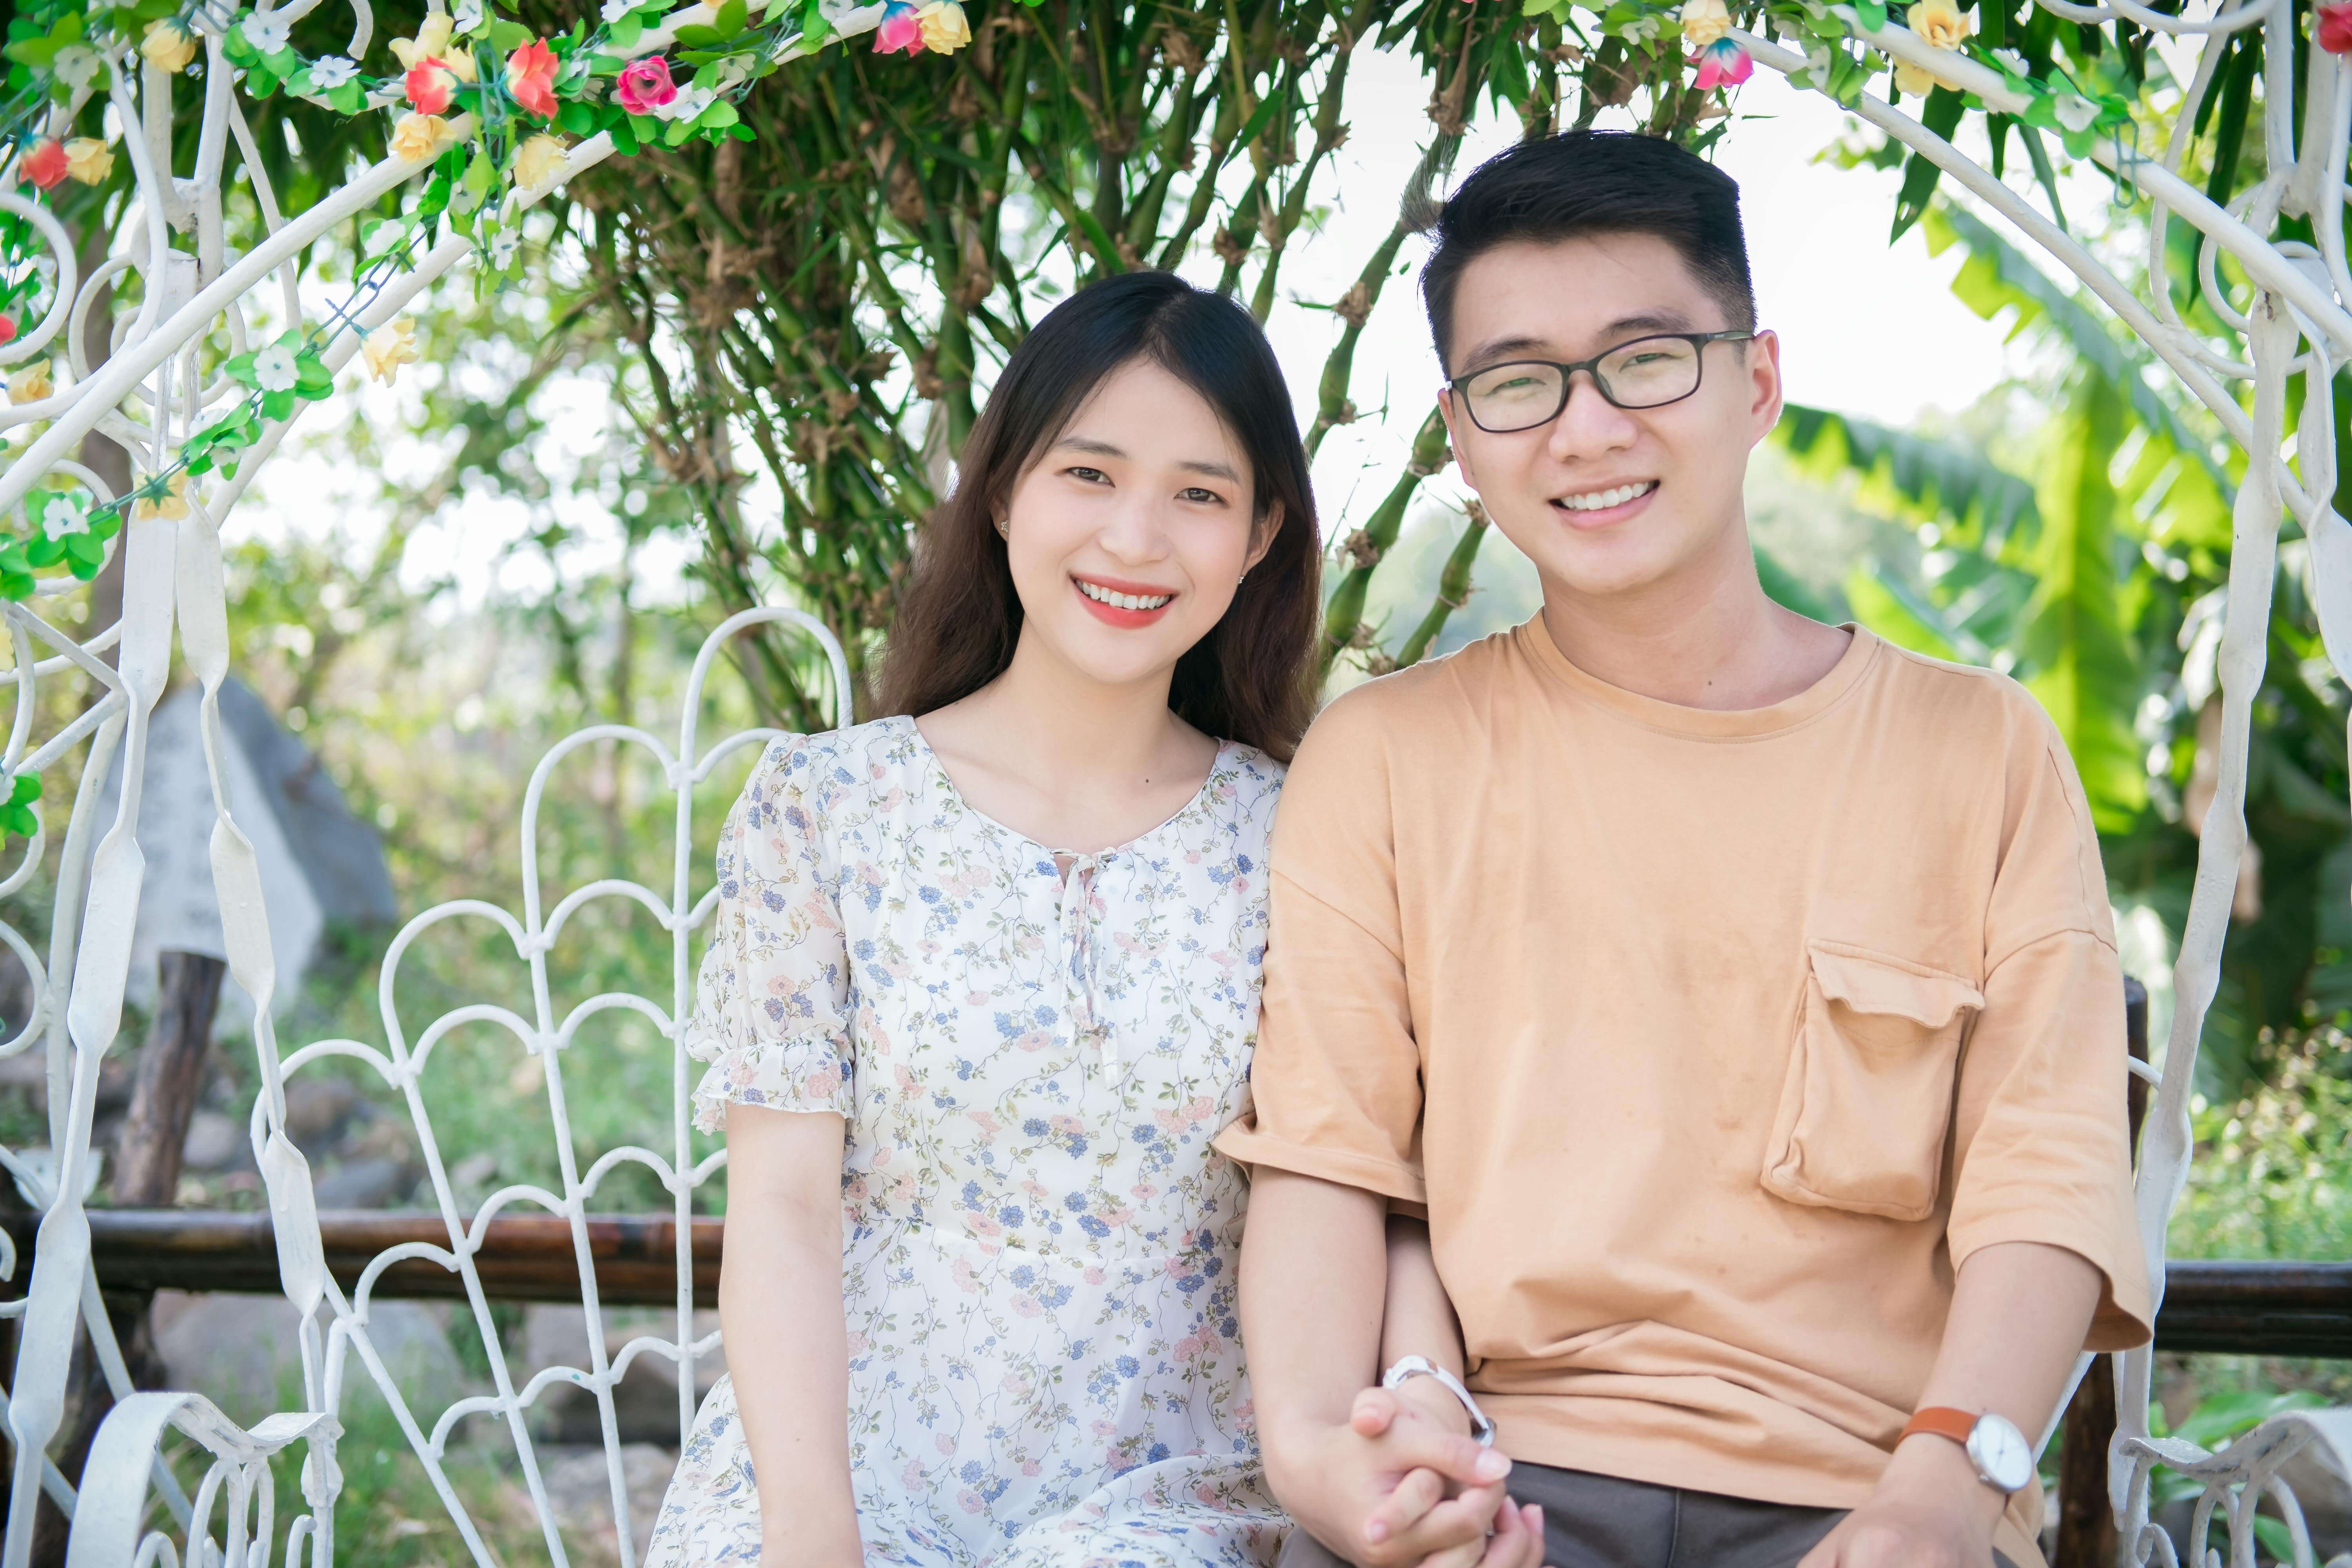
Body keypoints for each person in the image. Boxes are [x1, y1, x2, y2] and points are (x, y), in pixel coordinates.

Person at [1217, 129, 2152, 1568]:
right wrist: (1321, 1466)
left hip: (1878, 1489)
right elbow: (1328, 1160)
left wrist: (1944, 1492)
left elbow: (2049, 1181)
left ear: (1757, 381)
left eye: (1647, 361)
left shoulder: (1981, 753)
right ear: (1461, 436)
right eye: (1518, 383)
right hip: (1505, 1478)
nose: (1586, 431)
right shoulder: (1387, 760)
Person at [644, 270, 1326, 1568]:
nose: (1135, 538)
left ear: (1259, 537)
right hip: (841, 1467)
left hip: (1170, 1489)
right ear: (1004, 489)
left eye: (1199, 494)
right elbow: (782, 1208)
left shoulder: (1301, 834)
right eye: (1090, 474)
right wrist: (813, 1532)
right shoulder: (826, 807)